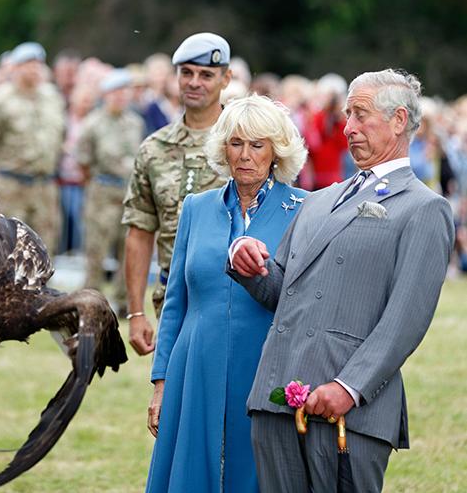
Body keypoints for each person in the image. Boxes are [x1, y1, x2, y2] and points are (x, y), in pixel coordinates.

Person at [228, 69, 455, 492]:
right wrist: (250, 266)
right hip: (276, 398)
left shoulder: (424, 208)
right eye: (347, 114)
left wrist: (349, 387)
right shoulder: (319, 200)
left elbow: (406, 319)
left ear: (399, 120)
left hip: (348, 412)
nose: (347, 127)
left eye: (360, 115)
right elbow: (282, 293)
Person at [145, 95, 307, 493]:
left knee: (256, 471)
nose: (245, 156)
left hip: (265, 364)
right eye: (236, 143)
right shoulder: (196, 208)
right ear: (223, 148)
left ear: (277, 151)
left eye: (257, 145)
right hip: (195, 364)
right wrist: (161, 381)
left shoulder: (305, 210)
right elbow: (175, 301)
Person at [122, 32, 232, 356]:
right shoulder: (154, 149)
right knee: (171, 394)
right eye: (187, 73)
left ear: (226, 78)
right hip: (173, 294)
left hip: (234, 292)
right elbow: (140, 231)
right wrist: (136, 312)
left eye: (206, 75)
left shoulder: (243, 139)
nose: (195, 82)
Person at [0, 41, 65, 253]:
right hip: (12, 184)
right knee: (9, 246)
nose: (35, 69)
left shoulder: (53, 97)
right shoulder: (0, 100)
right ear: (16, 67)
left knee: (45, 247)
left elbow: (60, 138)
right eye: (29, 64)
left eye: (38, 64)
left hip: (45, 186)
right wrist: (6, 172)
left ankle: (40, 287)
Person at [77, 69, 144, 316]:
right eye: (116, 92)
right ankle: (89, 302)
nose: (120, 97)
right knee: (96, 250)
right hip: (101, 192)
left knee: (128, 250)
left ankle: (124, 301)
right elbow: (84, 161)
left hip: (127, 192)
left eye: (124, 92)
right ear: (106, 95)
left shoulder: (135, 122)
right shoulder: (93, 123)